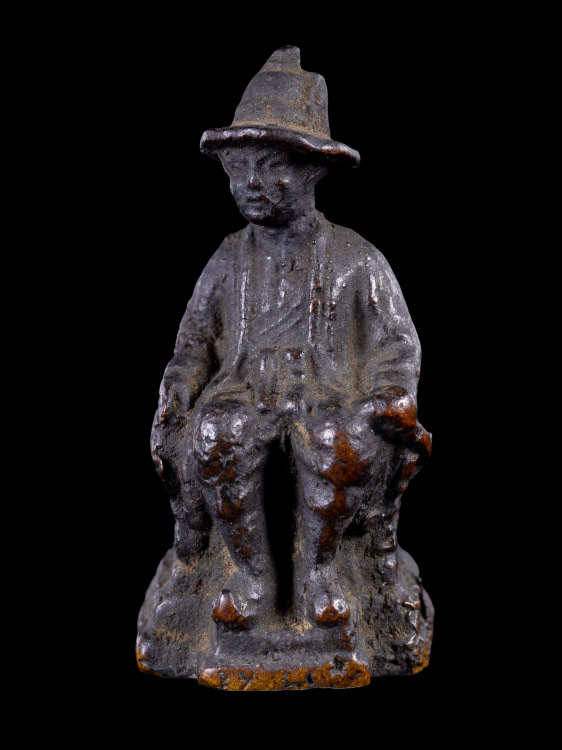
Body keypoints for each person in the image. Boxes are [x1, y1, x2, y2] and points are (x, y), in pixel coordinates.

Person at [150, 46, 431, 631]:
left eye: (270, 165)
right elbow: (195, 341)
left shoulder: (356, 260)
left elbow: (396, 344)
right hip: (244, 391)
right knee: (218, 433)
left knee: (336, 440)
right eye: (239, 168)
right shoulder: (229, 258)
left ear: (312, 170)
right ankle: (249, 574)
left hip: (325, 394)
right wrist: (179, 385)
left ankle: (320, 571)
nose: (251, 183)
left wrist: (388, 392)